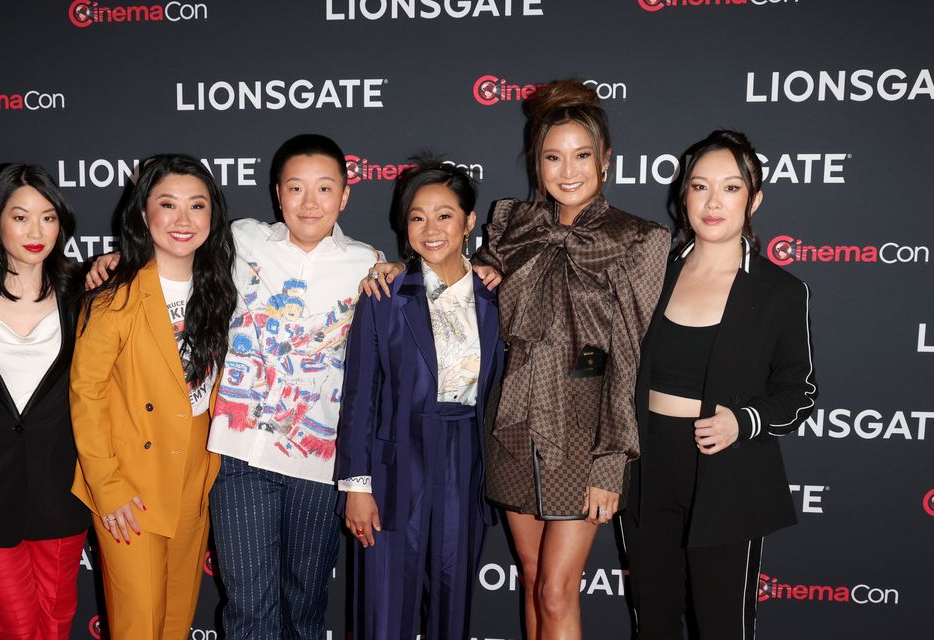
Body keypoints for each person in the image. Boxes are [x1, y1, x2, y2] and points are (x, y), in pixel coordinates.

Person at [366, 80, 670, 639]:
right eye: (553, 157)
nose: (567, 171)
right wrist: (396, 267)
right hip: (511, 427)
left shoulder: (640, 239)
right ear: (537, 161)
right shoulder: (513, 223)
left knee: (556, 590)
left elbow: (630, 357)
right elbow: (454, 272)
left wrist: (611, 461)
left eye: (582, 155)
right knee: (531, 579)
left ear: (605, 159)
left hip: (584, 433)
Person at [86, 134, 383, 640]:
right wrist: (117, 258)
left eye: (325, 188)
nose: (309, 202)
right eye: (296, 188)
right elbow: (177, 242)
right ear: (277, 193)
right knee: (248, 608)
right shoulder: (241, 240)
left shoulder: (368, 263)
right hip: (239, 458)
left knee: (305, 608)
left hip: (320, 464)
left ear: (345, 195)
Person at [619, 130, 817, 639]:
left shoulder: (780, 292)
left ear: (754, 199)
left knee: (722, 625)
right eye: (700, 186)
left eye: (730, 188)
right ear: (683, 195)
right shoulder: (651, 276)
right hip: (646, 469)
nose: (713, 202)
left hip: (728, 473)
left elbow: (799, 392)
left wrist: (742, 421)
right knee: (653, 622)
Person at [336, 159, 504, 639]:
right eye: (417, 217)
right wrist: (356, 486)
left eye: (444, 215)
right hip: (392, 467)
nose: (431, 229)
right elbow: (360, 395)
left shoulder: (497, 296)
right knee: (384, 613)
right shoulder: (384, 293)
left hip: (466, 460)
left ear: (469, 221)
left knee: (453, 608)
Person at [71, 154, 237, 638]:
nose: (183, 219)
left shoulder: (221, 291)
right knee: (138, 625)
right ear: (144, 214)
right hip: (130, 481)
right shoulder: (114, 296)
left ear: (213, 215)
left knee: (176, 621)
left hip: (194, 474)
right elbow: (86, 394)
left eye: (197, 205)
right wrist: (108, 487)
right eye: (168, 204)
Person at [0, 164, 90, 639]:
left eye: (48, 218)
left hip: (61, 490)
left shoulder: (83, 295)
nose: (35, 232)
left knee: (57, 620)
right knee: (15, 627)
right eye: (20, 217)